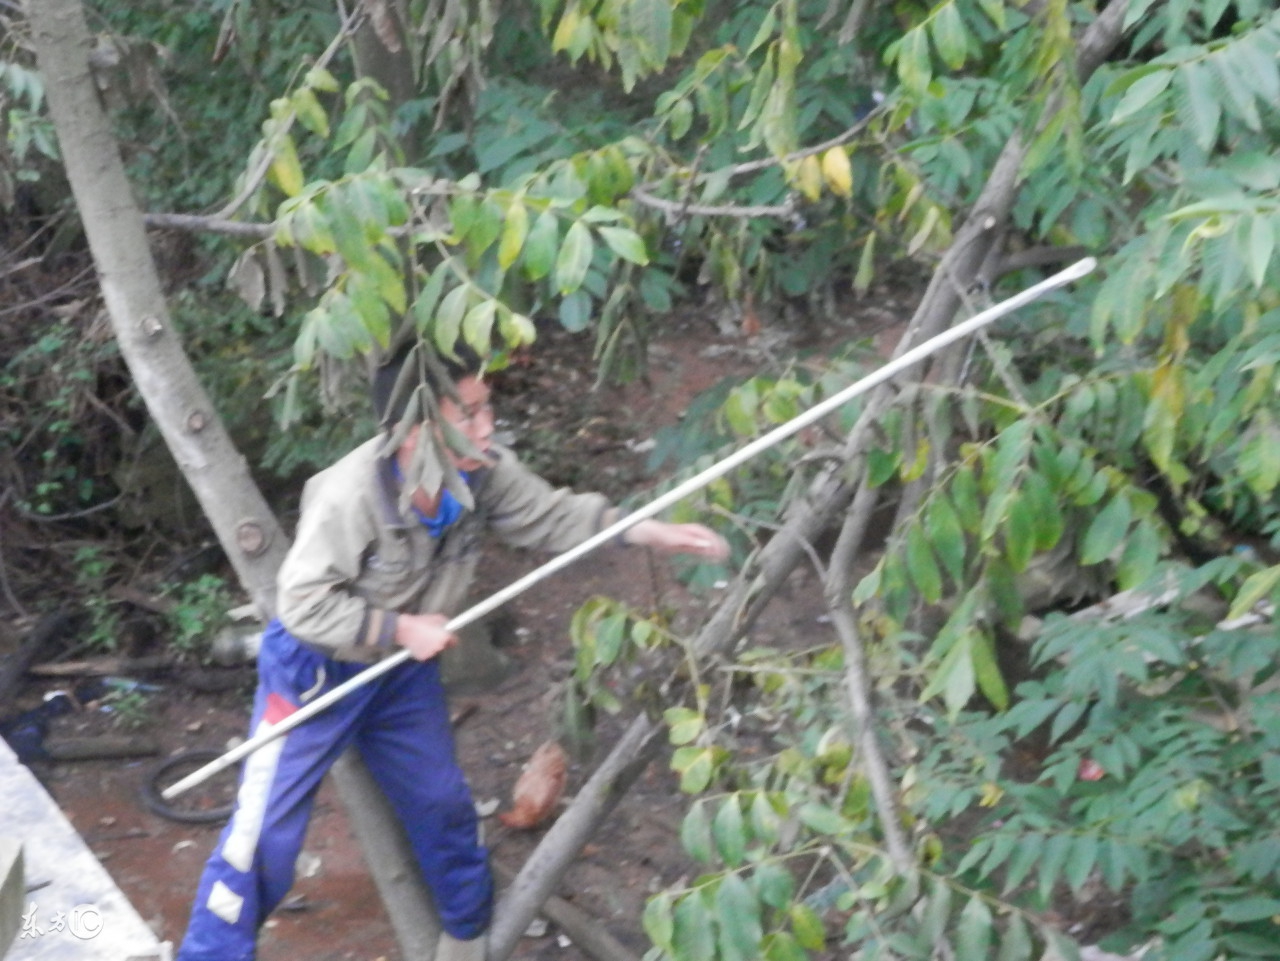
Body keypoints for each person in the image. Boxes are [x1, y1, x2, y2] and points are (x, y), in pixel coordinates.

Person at [174, 344, 729, 961]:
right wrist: (398, 628)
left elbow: (552, 518)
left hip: (401, 681)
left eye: (486, 409)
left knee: (442, 805)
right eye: (469, 414)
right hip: (313, 672)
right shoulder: (350, 494)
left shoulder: (483, 470)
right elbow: (302, 606)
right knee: (263, 840)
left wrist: (649, 530)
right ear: (415, 430)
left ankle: (465, 938)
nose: (486, 428)